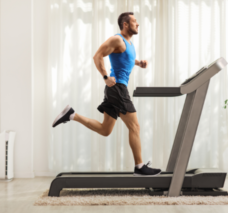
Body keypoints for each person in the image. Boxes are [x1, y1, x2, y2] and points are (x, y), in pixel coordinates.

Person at [52, 12, 161, 176]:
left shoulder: (129, 44)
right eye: (134, 21)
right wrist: (105, 77)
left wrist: (139, 63)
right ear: (125, 24)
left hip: (115, 90)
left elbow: (126, 59)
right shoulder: (117, 39)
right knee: (135, 126)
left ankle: (72, 115)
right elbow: (97, 56)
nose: (138, 24)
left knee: (105, 130)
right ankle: (139, 167)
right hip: (117, 88)